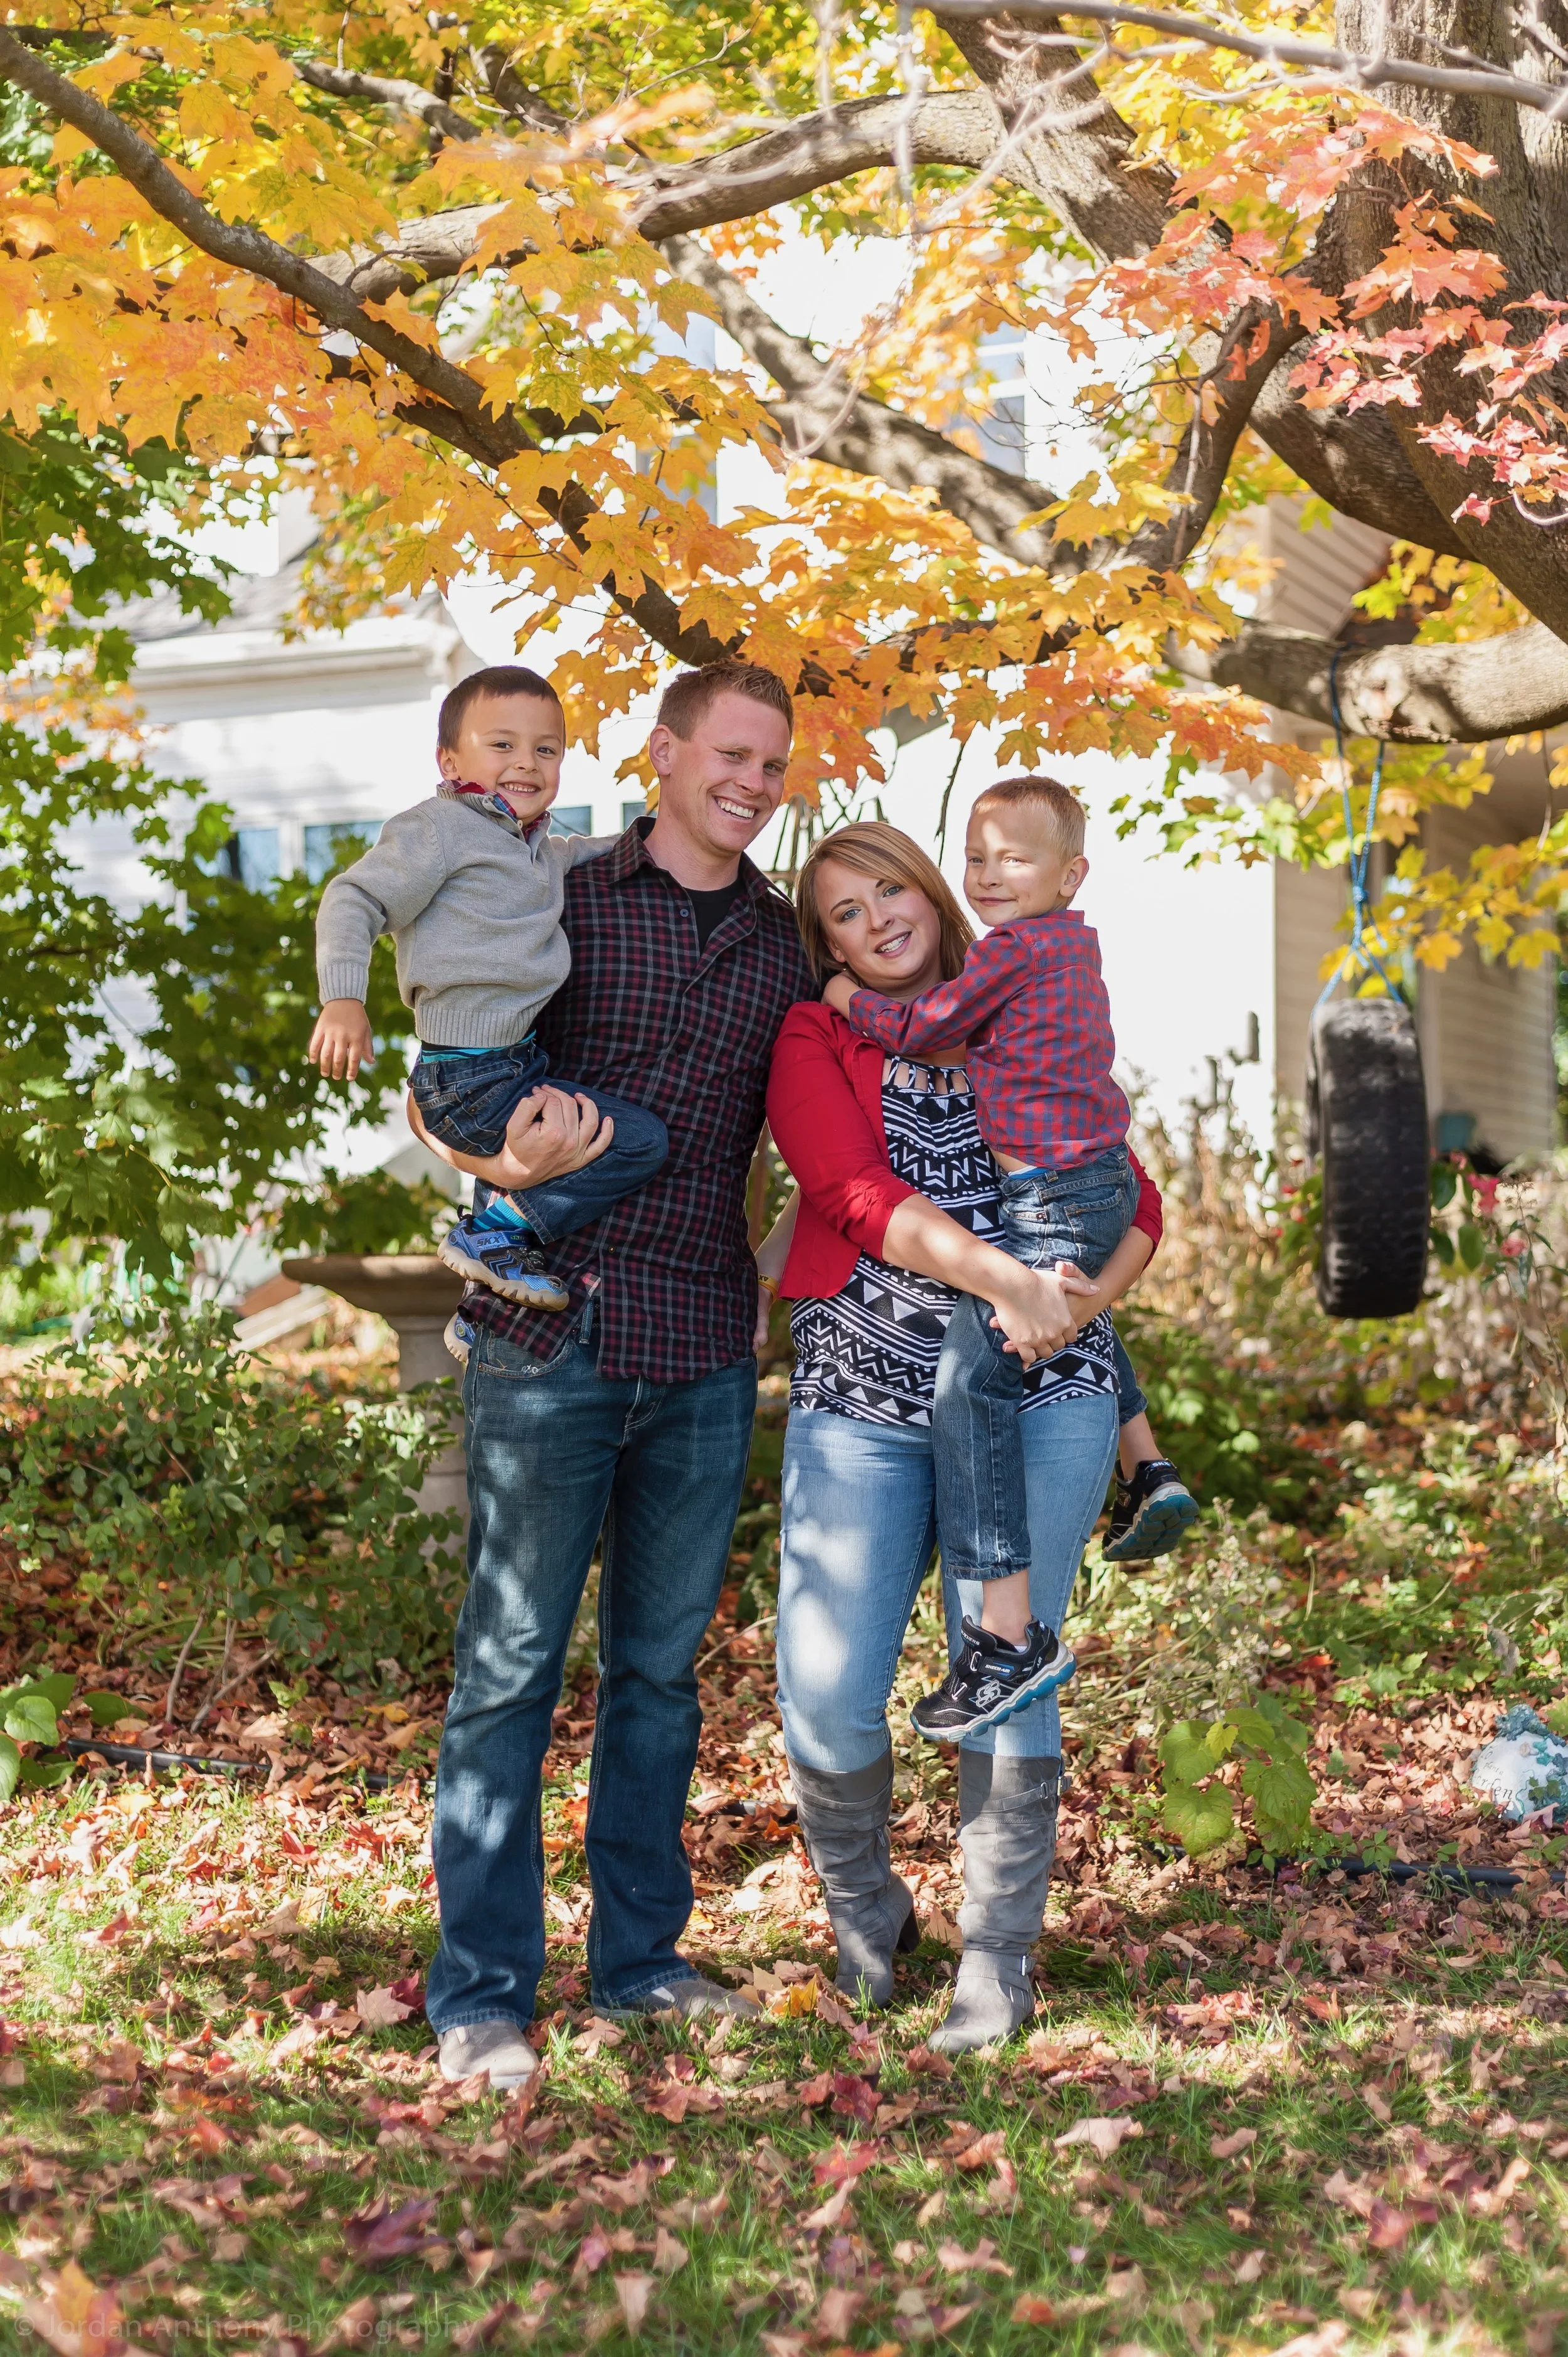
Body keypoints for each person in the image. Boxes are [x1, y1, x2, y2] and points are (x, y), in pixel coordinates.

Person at [405, 658, 813, 2090]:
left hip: (701, 1346)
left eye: (772, 765)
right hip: (546, 1339)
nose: (752, 784)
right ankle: (481, 1994)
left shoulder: (785, 943)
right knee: (508, 1668)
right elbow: (440, 1070)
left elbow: (832, 1131)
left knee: (658, 1677)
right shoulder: (558, 888)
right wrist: (487, 1159)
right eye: (732, 755)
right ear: (665, 752)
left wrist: (768, 1277)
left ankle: (641, 1964)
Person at [764, 821, 1165, 2051]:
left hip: (1040, 1391)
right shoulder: (817, 1035)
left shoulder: (1020, 995)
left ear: (932, 895)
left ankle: (996, 1960)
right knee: (826, 1691)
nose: (876, 919)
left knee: (1002, 1660)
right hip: (862, 1395)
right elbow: (852, 1196)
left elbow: (1135, 1196)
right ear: (827, 944)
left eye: (891, 889)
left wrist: (1072, 1311)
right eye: (844, 912)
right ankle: (864, 1908)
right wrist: (1011, 1281)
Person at [822, 777, 1192, 1736]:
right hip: (1073, 1195)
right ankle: (1148, 1465)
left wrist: (847, 997)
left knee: (969, 1385)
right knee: (1036, 1306)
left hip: (1058, 1198)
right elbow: (846, 1188)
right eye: (976, 858)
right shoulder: (1063, 951)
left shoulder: (1009, 955)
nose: (987, 875)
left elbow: (923, 1027)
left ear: (1070, 875)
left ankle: (1007, 1635)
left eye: (1012, 860)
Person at [309, 664, 668, 1312]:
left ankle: (483, 1312)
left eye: (546, 749)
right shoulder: (438, 829)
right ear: (448, 760)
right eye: (502, 744)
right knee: (638, 1141)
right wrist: (343, 998)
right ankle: (493, 1232)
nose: (526, 762)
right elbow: (354, 897)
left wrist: (654, 835)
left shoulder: (533, 845)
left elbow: (576, 851)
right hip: (467, 1078)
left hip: (512, 1062)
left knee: (571, 1142)